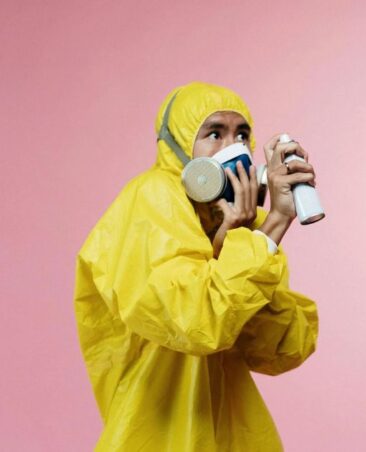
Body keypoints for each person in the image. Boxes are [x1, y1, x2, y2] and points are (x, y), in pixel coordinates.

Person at [74, 81, 319, 451]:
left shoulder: (242, 232)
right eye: (214, 133)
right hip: (159, 437)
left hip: (233, 437)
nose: (231, 147)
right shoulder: (152, 196)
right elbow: (197, 322)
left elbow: (282, 350)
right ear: (179, 140)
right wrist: (272, 226)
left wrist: (239, 236)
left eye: (242, 135)